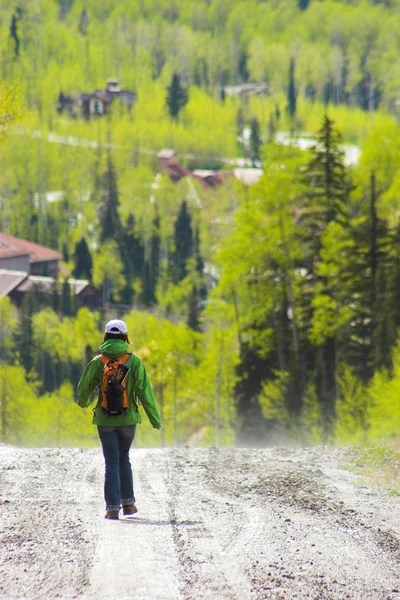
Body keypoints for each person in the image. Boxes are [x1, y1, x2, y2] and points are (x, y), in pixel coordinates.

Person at [76, 319, 161, 520]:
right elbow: (144, 393)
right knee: (124, 459)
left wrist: (83, 402)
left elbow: (83, 391)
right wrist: (155, 419)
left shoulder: (98, 362)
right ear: (125, 337)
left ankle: (112, 508)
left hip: (104, 421)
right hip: (128, 419)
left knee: (111, 462)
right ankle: (129, 504)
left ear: (105, 337)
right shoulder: (134, 361)